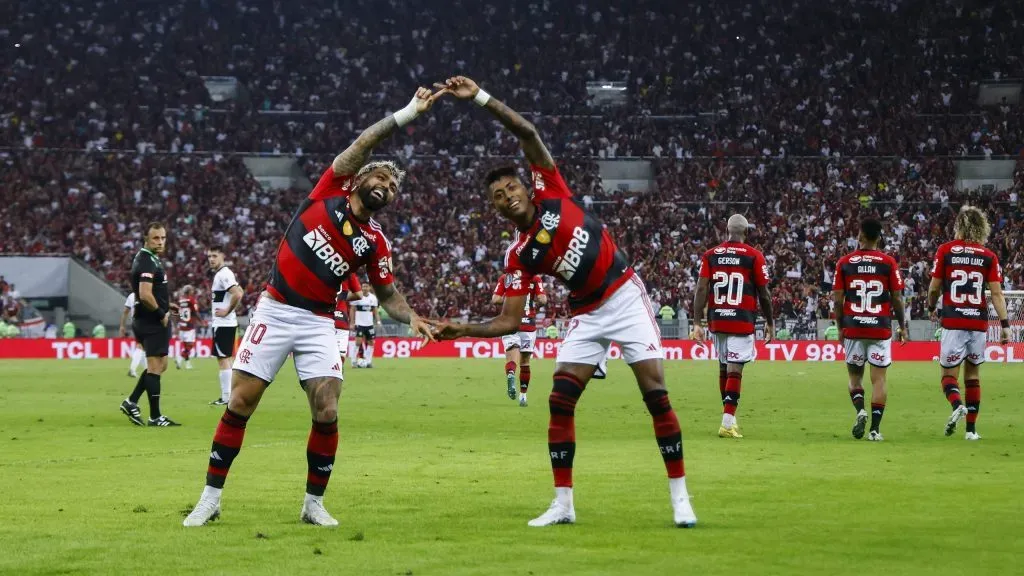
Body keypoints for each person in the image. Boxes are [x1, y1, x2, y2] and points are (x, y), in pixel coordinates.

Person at [430, 76, 696, 528]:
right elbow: (508, 321)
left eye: (511, 187)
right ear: (496, 210)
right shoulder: (518, 255)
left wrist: (480, 98)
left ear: (526, 187)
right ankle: (563, 505)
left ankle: (680, 498)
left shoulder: (551, 188)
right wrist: (463, 329)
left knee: (655, 395)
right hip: (586, 313)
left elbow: (526, 132)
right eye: (498, 197)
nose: (507, 196)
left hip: (625, 297)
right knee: (560, 400)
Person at [183, 86, 441, 528]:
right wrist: (407, 113)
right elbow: (364, 142)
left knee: (327, 409)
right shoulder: (329, 190)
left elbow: (387, 295)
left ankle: (313, 504)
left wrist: (412, 316)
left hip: (319, 321)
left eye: (394, 186)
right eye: (382, 178)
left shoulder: (376, 242)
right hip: (276, 310)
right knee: (241, 402)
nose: (387, 186)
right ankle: (210, 500)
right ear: (360, 178)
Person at [927, 206, 1010, 440]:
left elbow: (933, 288)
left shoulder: (945, 250)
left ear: (959, 226)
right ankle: (971, 431)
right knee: (973, 376)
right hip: (978, 323)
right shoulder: (988, 255)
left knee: (948, 376)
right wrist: (1005, 325)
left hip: (953, 321)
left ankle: (957, 406)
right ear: (982, 227)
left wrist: (931, 307)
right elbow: (997, 294)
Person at [692, 214, 774, 439]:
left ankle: (729, 419)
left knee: (723, 368)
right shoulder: (754, 256)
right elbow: (764, 294)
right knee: (734, 370)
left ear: (727, 231)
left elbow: (701, 289)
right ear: (746, 232)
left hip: (717, 320)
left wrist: (697, 323)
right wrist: (770, 322)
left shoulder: (711, 255)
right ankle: (727, 423)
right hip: (741, 319)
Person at [832, 218, 907, 442]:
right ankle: (874, 430)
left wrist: (840, 327)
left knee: (855, 379)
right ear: (879, 238)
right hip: (879, 329)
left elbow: (837, 300)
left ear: (860, 236)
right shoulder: (888, 263)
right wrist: (902, 326)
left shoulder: (845, 262)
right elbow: (897, 298)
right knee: (879, 380)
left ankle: (860, 411)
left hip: (854, 328)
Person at [119, 222, 180, 427]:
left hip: (147, 318)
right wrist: (161, 313)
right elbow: (145, 294)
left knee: (161, 365)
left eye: (163, 238)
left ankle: (131, 402)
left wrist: (166, 305)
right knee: (155, 367)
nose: (160, 242)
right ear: (146, 239)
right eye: (156, 238)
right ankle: (155, 416)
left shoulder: (149, 258)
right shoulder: (146, 261)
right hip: (151, 321)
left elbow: (151, 292)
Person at [492, 272, 547, 406]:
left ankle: (511, 373)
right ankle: (523, 396)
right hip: (528, 324)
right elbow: (543, 300)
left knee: (512, 356)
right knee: (525, 362)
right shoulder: (534, 278)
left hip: (509, 322)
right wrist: (534, 304)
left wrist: (510, 300)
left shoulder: (506, 278)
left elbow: (495, 299)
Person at [207, 247, 244, 405]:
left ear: (222, 256)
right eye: (209, 256)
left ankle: (226, 397)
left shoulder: (223, 274)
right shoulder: (225, 274)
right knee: (227, 359)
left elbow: (237, 293)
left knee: (223, 360)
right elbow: (240, 291)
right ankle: (230, 396)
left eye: (214, 256)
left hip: (223, 324)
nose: (211, 259)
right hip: (227, 323)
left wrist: (227, 310)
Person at [335, 275, 363, 364]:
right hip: (341, 320)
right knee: (339, 359)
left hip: (322, 319)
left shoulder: (318, 269)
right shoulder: (349, 272)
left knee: (322, 357)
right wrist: (342, 296)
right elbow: (359, 295)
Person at [351, 285, 380, 368]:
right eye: (363, 286)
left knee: (371, 342)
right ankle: (353, 361)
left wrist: (378, 321)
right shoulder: (357, 297)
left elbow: (375, 311)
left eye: (366, 286)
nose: (364, 288)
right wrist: (352, 323)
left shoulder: (373, 298)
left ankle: (368, 362)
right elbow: (352, 309)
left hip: (369, 324)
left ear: (369, 288)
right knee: (358, 342)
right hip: (359, 324)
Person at [119, 292, 146, 378]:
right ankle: (132, 369)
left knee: (143, 347)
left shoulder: (131, 295)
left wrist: (122, 326)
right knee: (141, 346)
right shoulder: (146, 293)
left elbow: (125, 312)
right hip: (144, 323)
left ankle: (147, 370)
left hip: (135, 323)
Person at [176, 285, 202, 371]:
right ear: (189, 291)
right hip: (189, 326)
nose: (193, 291)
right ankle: (179, 358)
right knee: (190, 346)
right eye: (191, 290)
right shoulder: (192, 300)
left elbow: (177, 313)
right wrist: (202, 321)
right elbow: (195, 312)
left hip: (182, 326)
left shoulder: (180, 300)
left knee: (185, 346)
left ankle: (187, 364)